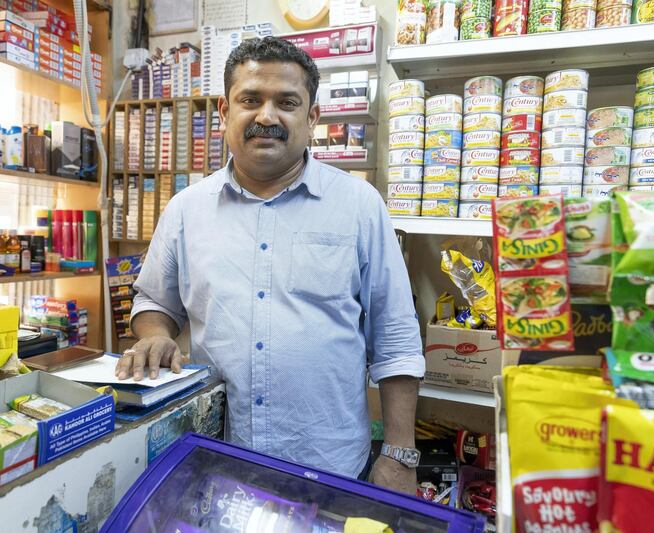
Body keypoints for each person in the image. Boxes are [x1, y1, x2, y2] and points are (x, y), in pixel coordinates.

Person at [116, 36, 424, 493]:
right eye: (250, 100)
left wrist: (399, 455)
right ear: (224, 112)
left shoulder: (360, 204)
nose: (266, 116)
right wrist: (157, 335)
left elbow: (395, 334)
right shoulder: (186, 209)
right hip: (215, 457)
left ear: (312, 118)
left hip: (331, 466)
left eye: (286, 102)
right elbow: (153, 300)